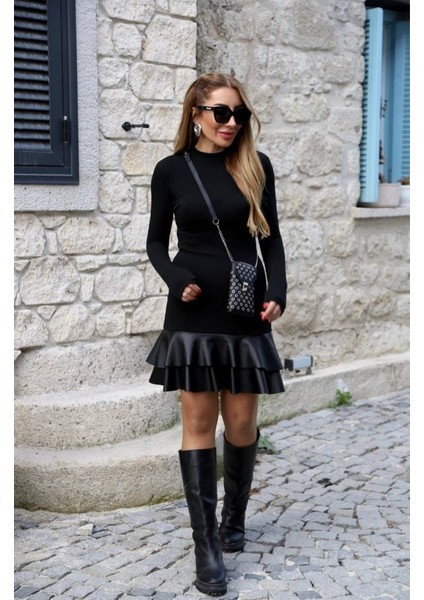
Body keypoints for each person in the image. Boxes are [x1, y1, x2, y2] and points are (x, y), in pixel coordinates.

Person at [146, 72, 287, 596]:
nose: (231, 123)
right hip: (193, 316)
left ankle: (234, 517)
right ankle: (206, 545)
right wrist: (175, 277)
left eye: (239, 114)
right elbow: (156, 242)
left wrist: (280, 290)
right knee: (199, 422)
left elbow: (272, 240)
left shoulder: (255, 166)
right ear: (197, 115)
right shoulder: (170, 170)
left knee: (243, 422)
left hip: (246, 313)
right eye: (222, 113)